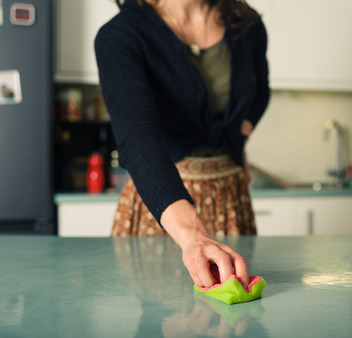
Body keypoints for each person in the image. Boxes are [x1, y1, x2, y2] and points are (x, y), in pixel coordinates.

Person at [94, 0, 270, 289]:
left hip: (231, 195)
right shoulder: (121, 34)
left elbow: (260, 91)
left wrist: (239, 135)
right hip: (164, 204)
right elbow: (138, 136)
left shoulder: (245, 23)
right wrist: (191, 235)